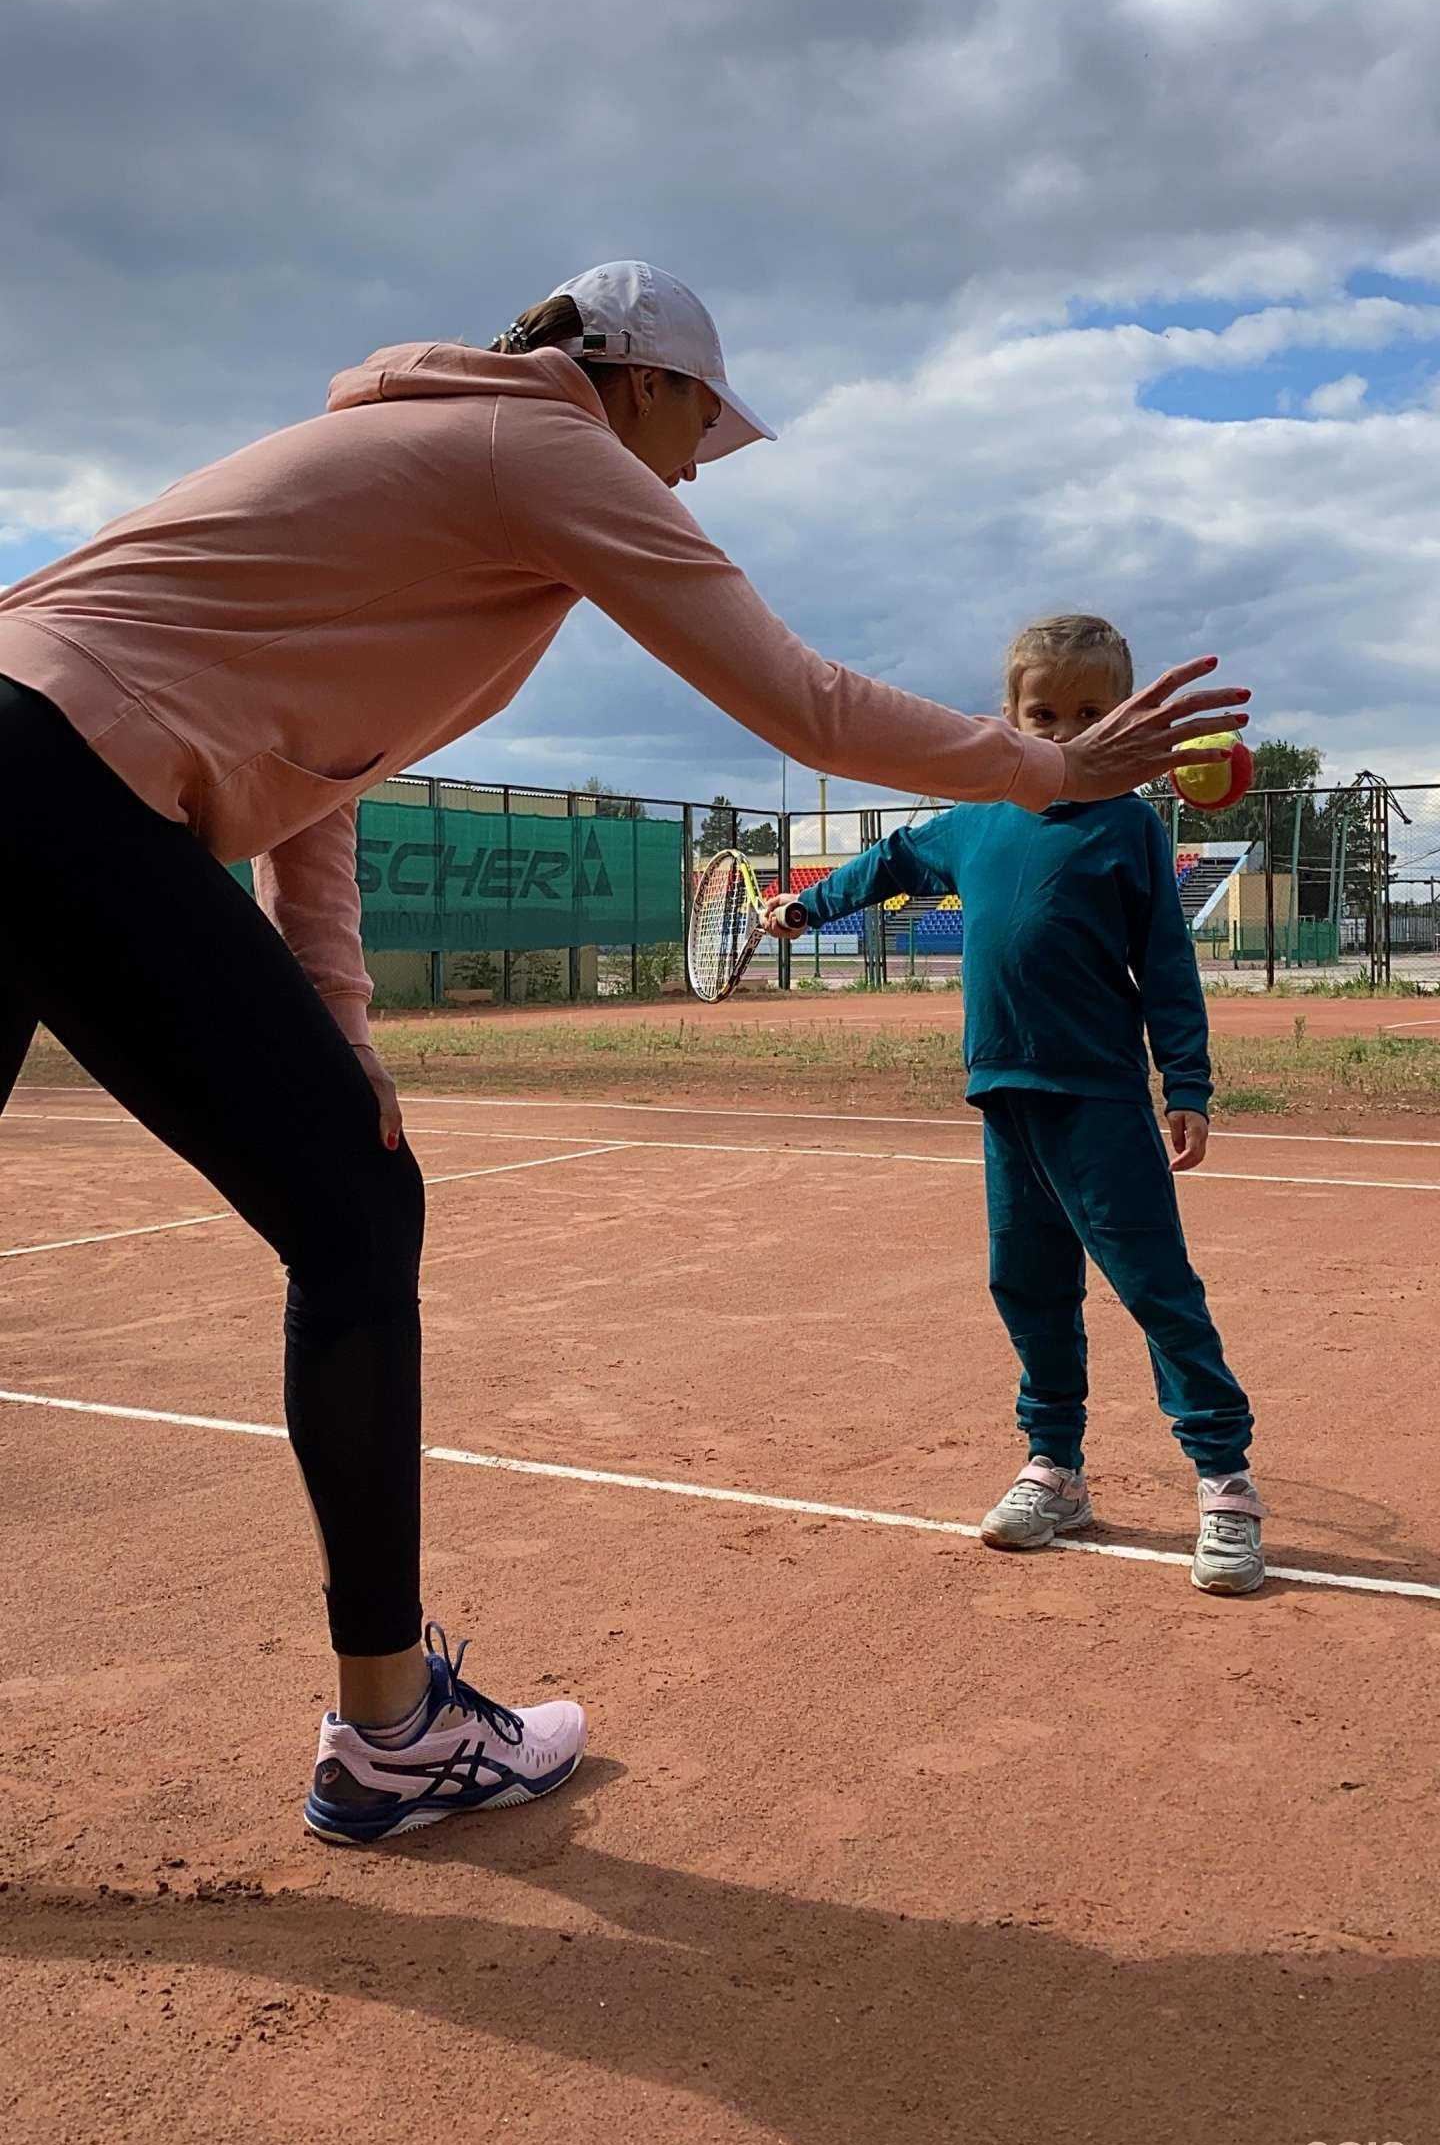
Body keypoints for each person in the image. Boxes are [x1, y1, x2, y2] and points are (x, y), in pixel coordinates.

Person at [0, 272, 1252, 1845]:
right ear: (639, 382)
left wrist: (336, 1021)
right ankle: (392, 1738)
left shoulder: (431, 464)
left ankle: (392, 1731)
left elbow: (313, 762)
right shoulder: (544, 452)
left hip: (29, 751)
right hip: (54, 778)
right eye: (700, 427)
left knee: (346, 1192)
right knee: (357, 1220)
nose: (696, 467)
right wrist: (1050, 765)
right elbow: (798, 700)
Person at [765, 612, 1264, 1595]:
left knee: (1155, 1288)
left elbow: (1167, 972)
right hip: (1005, 1097)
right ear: (1011, 716)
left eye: (1091, 711)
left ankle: (1225, 1483)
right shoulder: (978, 813)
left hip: (1102, 1103)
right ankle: (1054, 1467)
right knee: (1027, 1286)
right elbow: (896, 859)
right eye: (1047, 711)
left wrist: (1188, 1085)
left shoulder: (1128, 825)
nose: (1068, 728)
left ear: (1120, 718)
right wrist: (806, 903)